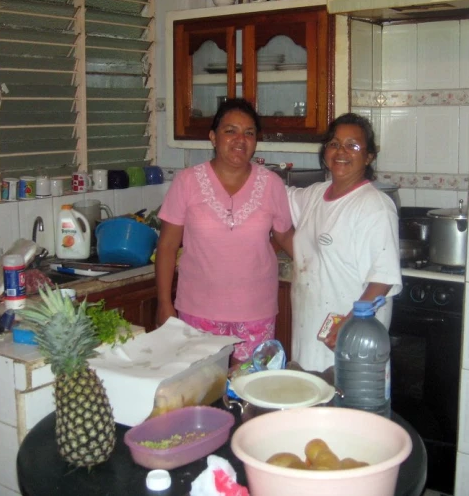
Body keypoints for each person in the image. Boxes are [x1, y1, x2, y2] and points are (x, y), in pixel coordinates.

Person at [156, 98, 293, 362]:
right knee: (201, 389)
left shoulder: (272, 184)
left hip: (256, 312)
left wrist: (322, 266)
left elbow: (285, 236)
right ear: (213, 137)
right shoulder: (187, 182)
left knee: (251, 389)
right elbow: (167, 245)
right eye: (230, 130)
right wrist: (164, 303)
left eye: (249, 133)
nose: (240, 139)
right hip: (198, 311)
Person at [287, 112, 401, 372]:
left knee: (344, 405)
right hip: (310, 330)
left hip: (351, 336)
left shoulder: (374, 206)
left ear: (369, 156)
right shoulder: (315, 194)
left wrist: (350, 325)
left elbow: (382, 279)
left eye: (353, 145)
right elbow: (276, 198)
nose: (341, 151)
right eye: (334, 143)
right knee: (312, 398)